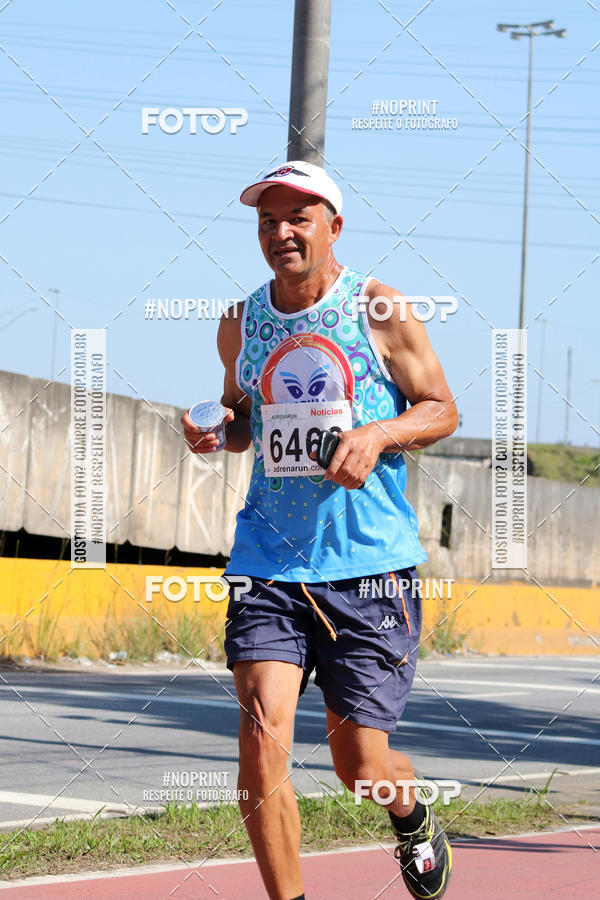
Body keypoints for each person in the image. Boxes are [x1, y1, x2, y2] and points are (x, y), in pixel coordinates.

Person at [182, 160, 458, 900]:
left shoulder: (379, 309)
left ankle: (411, 813)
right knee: (259, 737)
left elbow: (440, 408)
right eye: (268, 220)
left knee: (360, 766)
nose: (281, 232)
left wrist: (378, 435)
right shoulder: (242, 321)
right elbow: (243, 417)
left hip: (367, 566)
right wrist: (217, 431)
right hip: (269, 559)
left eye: (298, 217)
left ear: (334, 226)